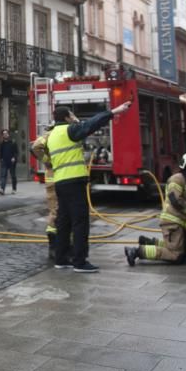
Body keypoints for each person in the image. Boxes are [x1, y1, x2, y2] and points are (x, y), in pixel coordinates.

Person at [49, 100, 132, 273]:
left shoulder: (52, 134)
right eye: (72, 115)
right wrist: (114, 111)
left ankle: (61, 258)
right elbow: (92, 124)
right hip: (73, 182)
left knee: (64, 222)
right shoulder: (69, 130)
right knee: (80, 222)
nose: (74, 117)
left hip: (60, 182)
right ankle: (80, 261)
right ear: (66, 117)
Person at [125, 152, 186, 266]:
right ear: (185, 166)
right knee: (176, 255)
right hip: (172, 222)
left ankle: (150, 243)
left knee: (184, 252)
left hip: (181, 221)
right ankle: (136, 251)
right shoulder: (177, 179)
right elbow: (176, 200)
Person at [30, 126, 57, 260]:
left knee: (55, 212)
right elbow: (35, 147)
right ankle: (57, 246)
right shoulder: (52, 134)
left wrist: (47, 160)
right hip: (57, 178)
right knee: (58, 212)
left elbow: (35, 147)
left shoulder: (49, 134)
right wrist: (48, 160)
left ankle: (56, 246)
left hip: (54, 178)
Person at [0, 128, 17, 195]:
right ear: (2, 135)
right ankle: (2, 189)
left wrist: (14, 157)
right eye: (3, 134)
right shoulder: (2, 143)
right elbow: (0, 152)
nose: (5, 135)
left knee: (13, 175)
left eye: (6, 133)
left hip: (11, 161)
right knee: (3, 175)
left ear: (8, 134)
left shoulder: (13, 142)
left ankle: (14, 189)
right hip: (4, 161)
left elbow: (16, 152)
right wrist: (1, 159)